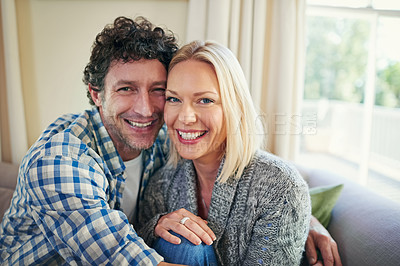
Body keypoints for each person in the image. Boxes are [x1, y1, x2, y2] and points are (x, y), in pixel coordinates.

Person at [0, 15, 340, 266]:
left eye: (160, 92)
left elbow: (260, 177)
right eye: (126, 89)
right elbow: (124, 258)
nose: (146, 109)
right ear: (96, 94)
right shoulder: (60, 159)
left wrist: (302, 219)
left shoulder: (165, 138)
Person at [137, 40, 309, 265]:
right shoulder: (161, 185)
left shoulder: (280, 188)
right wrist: (154, 228)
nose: (186, 117)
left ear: (235, 108)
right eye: (174, 99)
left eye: (205, 100)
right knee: (178, 238)